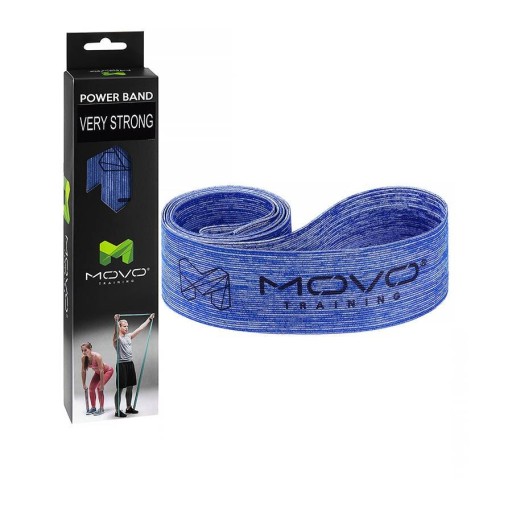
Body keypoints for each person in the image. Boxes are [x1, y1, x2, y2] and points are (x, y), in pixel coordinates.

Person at [113, 313, 155, 417]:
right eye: (124, 326)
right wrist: (116, 321)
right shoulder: (117, 338)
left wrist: (149, 319)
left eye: (127, 326)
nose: (126, 328)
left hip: (130, 364)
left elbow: (140, 328)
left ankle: (128, 408)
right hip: (121, 365)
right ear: (119, 327)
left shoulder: (129, 336)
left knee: (130, 387)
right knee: (120, 389)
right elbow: (116, 331)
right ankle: (117, 411)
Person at [81, 342, 114, 416]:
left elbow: (102, 370)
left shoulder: (97, 356)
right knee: (91, 388)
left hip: (107, 371)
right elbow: (83, 371)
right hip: (98, 373)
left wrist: (102, 384)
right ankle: (93, 408)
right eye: (82, 350)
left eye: (85, 350)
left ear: (90, 349)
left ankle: (101, 409)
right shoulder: (83, 358)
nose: (83, 352)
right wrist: (84, 384)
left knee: (99, 388)